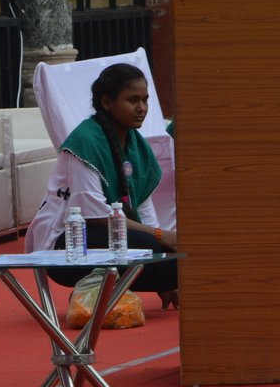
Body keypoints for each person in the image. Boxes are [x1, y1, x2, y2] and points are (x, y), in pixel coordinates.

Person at [26, 63, 179, 297]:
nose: (142, 108)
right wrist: (159, 236)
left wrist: (164, 247)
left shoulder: (136, 143)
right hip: (64, 245)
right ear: (107, 102)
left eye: (145, 100)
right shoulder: (85, 142)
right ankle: (93, 292)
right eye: (133, 100)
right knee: (147, 244)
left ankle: (101, 294)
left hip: (108, 238)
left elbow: (143, 207)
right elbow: (95, 215)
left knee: (177, 255)